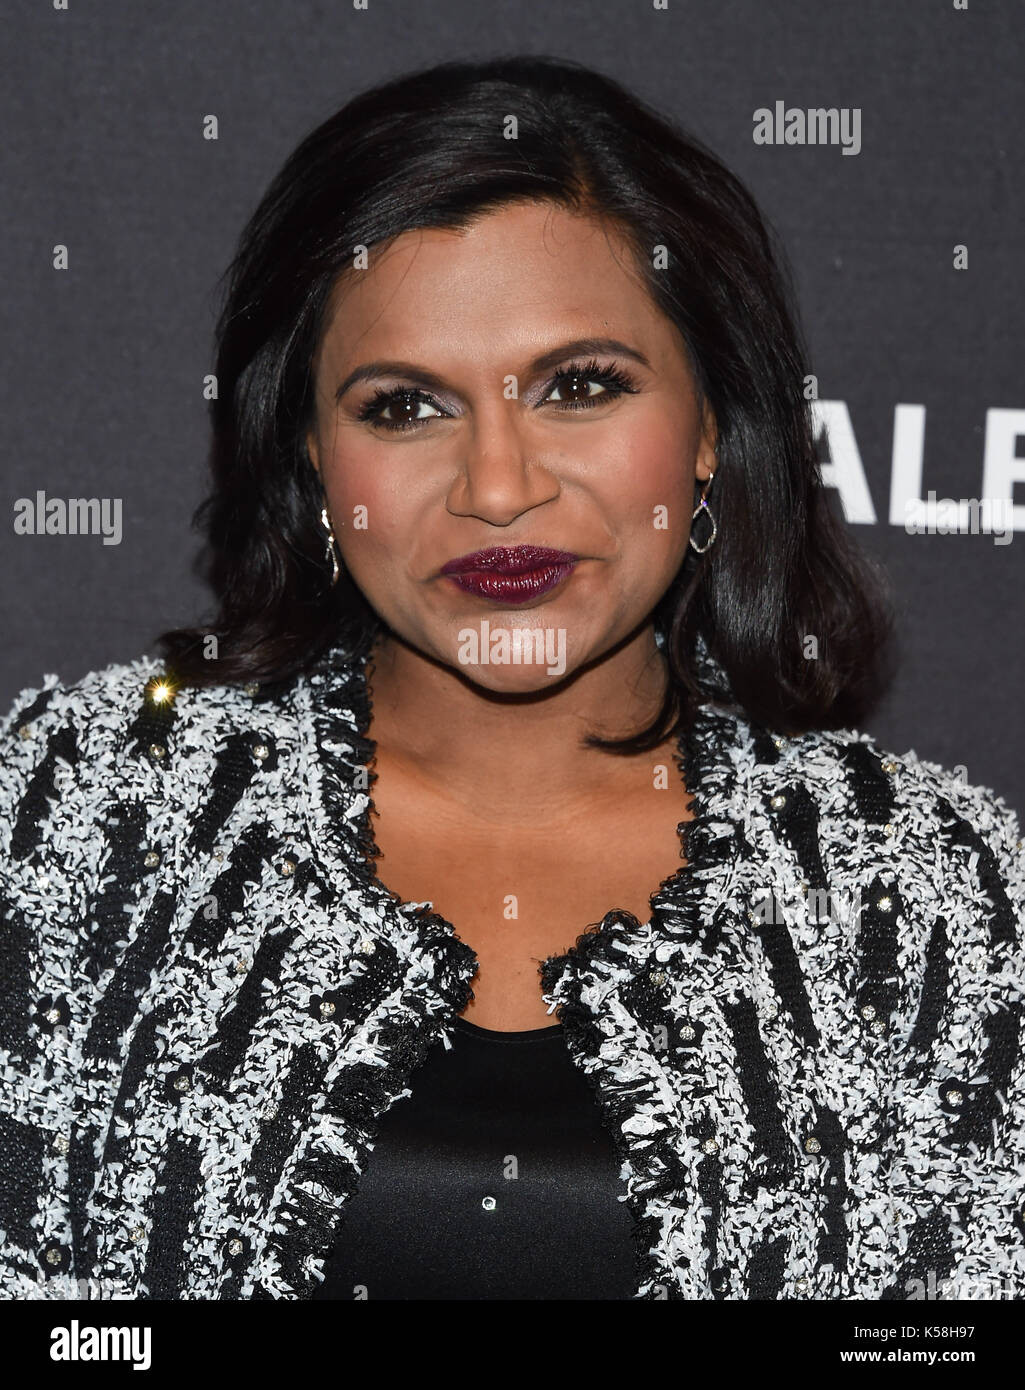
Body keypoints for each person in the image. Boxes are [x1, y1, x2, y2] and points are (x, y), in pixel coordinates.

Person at [1, 54, 1022, 1303]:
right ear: (310, 457)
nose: (497, 486)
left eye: (579, 385)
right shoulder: (83, 810)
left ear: (710, 422)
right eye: (403, 406)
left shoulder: (915, 889)